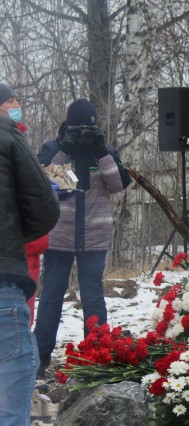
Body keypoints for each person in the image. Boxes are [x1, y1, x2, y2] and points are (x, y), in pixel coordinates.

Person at [34, 99, 131, 378]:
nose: (83, 130)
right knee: (51, 295)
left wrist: (101, 151)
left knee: (93, 296)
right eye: (78, 125)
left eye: (88, 125)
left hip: (94, 236)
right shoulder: (52, 148)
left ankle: (95, 355)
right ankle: (39, 360)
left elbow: (117, 185)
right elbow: (45, 184)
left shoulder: (105, 150)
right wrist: (65, 148)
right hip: (59, 236)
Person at [0, 108, 60, 424]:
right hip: (4, 284)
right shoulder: (7, 133)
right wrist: (11, 236)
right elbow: (45, 209)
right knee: (9, 409)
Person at [0, 83, 50, 326]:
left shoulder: (18, 138)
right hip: (16, 249)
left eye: (16, 100)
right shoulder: (12, 142)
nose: (16, 106)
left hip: (22, 249)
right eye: (10, 102)